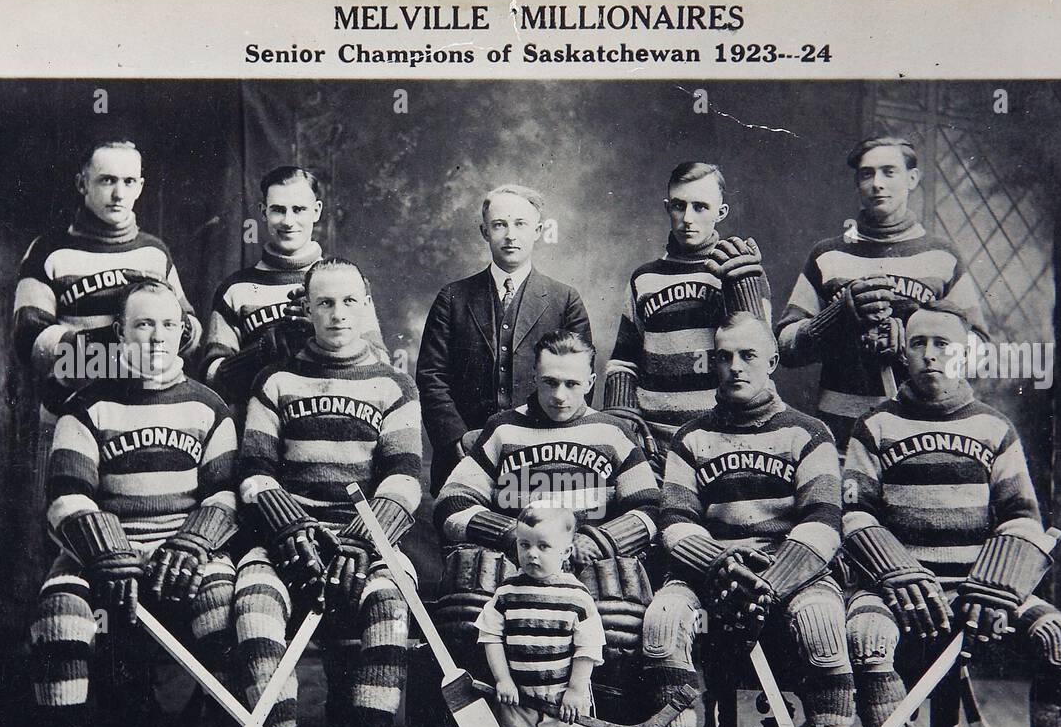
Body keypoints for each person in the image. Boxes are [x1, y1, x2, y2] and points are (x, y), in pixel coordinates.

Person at [841, 302, 1061, 727]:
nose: (931, 354)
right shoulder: (875, 426)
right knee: (865, 638)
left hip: (976, 586)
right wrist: (897, 571)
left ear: (965, 353)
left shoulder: (993, 428)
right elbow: (855, 515)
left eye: (943, 343)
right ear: (902, 352)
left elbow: (1020, 519)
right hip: (895, 588)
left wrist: (997, 586)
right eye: (918, 344)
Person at [28, 278, 237, 727]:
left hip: (182, 548)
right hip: (103, 551)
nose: (157, 337)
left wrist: (192, 542)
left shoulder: (209, 407)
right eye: (143, 325)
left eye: (168, 325)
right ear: (120, 333)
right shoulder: (85, 405)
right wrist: (108, 552)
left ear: (183, 333)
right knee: (61, 611)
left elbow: (223, 495)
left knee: (225, 605)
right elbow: (66, 496)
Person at [640, 312, 857, 727]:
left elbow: (824, 522)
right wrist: (720, 565)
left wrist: (773, 582)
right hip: (711, 573)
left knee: (826, 628)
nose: (734, 367)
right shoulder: (691, 438)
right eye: (724, 357)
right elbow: (675, 522)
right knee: (662, 622)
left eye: (748, 356)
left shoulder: (811, 433)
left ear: (774, 362)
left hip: (793, 574)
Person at [432, 329, 658, 727]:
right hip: (518, 563)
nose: (559, 396)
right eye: (549, 382)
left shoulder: (612, 433)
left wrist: (592, 544)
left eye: (573, 384)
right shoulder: (502, 430)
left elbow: (647, 513)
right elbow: (450, 505)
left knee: (619, 623)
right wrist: (511, 534)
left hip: (586, 569)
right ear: (533, 378)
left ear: (592, 381)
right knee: (464, 616)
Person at [232, 257, 422, 727]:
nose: (337, 314)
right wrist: (289, 530)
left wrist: (363, 542)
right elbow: (254, 473)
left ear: (366, 306)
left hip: (364, 538)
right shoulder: (276, 381)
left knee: (391, 605)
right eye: (323, 303)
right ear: (306, 309)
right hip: (290, 538)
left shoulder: (395, 385)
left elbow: (405, 478)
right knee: (253, 600)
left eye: (348, 302)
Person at [13, 140, 202, 494]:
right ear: (82, 183)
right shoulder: (49, 251)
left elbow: (190, 332)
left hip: (141, 415)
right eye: (106, 180)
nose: (118, 193)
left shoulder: (153, 251)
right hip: (68, 410)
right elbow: (29, 341)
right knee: (64, 522)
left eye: (129, 182)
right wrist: (116, 342)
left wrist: (160, 321)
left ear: (141, 187)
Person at [776, 135, 986, 451]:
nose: (877, 183)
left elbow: (979, 351)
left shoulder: (942, 256)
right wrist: (837, 318)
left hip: (921, 432)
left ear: (912, 179)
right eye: (867, 174)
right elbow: (786, 349)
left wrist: (916, 337)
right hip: (841, 432)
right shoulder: (827, 255)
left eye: (889, 172)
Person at [417, 184, 592, 495]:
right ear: (485, 232)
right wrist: (457, 439)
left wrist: (551, 443)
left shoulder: (564, 299)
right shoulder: (452, 298)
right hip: (464, 457)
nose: (511, 235)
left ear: (538, 230)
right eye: (500, 225)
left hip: (542, 457)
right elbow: (432, 378)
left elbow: (577, 384)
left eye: (520, 224)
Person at [601, 161, 771, 472]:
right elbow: (623, 359)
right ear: (668, 208)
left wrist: (742, 286)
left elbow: (762, 358)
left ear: (721, 212)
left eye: (700, 207)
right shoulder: (645, 277)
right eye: (679, 206)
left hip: (721, 433)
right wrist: (621, 415)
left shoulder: (740, 270)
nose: (688, 218)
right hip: (654, 438)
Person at [199, 165, 387, 408]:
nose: (289, 221)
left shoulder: (348, 282)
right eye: (278, 210)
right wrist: (262, 351)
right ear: (263, 212)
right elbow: (211, 379)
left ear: (316, 211)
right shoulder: (236, 288)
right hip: (258, 431)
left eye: (299, 209)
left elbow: (381, 364)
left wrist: (323, 337)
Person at [476, 502, 605, 727]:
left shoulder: (576, 596)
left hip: (560, 695)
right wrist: (503, 679)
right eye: (525, 545)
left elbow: (588, 646)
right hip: (518, 694)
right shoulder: (507, 593)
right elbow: (490, 635)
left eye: (544, 546)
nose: (532, 554)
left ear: (565, 552)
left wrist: (575, 690)